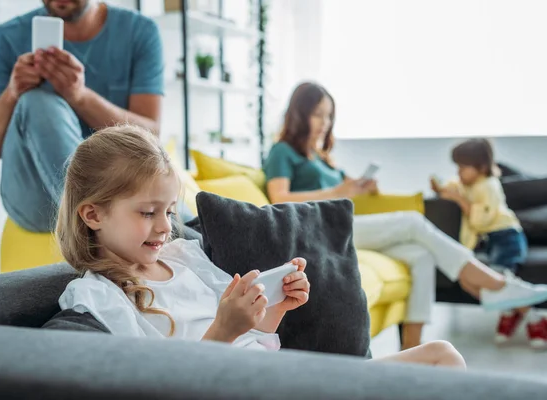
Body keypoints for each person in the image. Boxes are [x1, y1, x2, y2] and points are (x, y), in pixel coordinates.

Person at [56, 125, 465, 369]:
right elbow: (160, 384)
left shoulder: (186, 258)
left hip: (282, 375)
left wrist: (271, 313)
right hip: (257, 385)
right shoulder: (97, 296)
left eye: (168, 210)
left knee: (441, 356)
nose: (166, 227)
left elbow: (254, 343)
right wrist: (222, 330)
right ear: (93, 215)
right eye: (147, 212)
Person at [263, 81, 547, 350]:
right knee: (412, 222)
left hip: (342, 224)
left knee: (419, 255)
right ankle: (496, 284)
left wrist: (361, 189)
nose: (324, 123)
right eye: (318, 115)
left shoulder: (321, 158)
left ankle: (412, 349)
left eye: (328, 116)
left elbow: (345, 191)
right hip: (318, 229)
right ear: (300, 115)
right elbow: (279, 199)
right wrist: (339, 189)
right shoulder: (282, 152)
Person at [0, 0, 163, 233]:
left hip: (117, 185)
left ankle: (173, 225)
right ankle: (107, 222)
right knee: (35, 100)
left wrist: (80, 97)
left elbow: (150, 138)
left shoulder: (139, 32)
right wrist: (12, 93)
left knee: (158, 175)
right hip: (35, 198)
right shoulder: (5, 39)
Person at [432, 138, 546, 348]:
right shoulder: (470, 183)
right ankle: (517, 311)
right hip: (492, 240)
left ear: (481, 167)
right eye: (457, 167)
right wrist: (441, 189)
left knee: (500, 277)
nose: (459, 172)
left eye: (463, 168)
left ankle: (533, 317)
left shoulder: (488, 186)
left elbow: (481, 220)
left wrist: (460, 200)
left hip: (507, 236)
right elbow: (452, 185)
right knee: (491, 280)